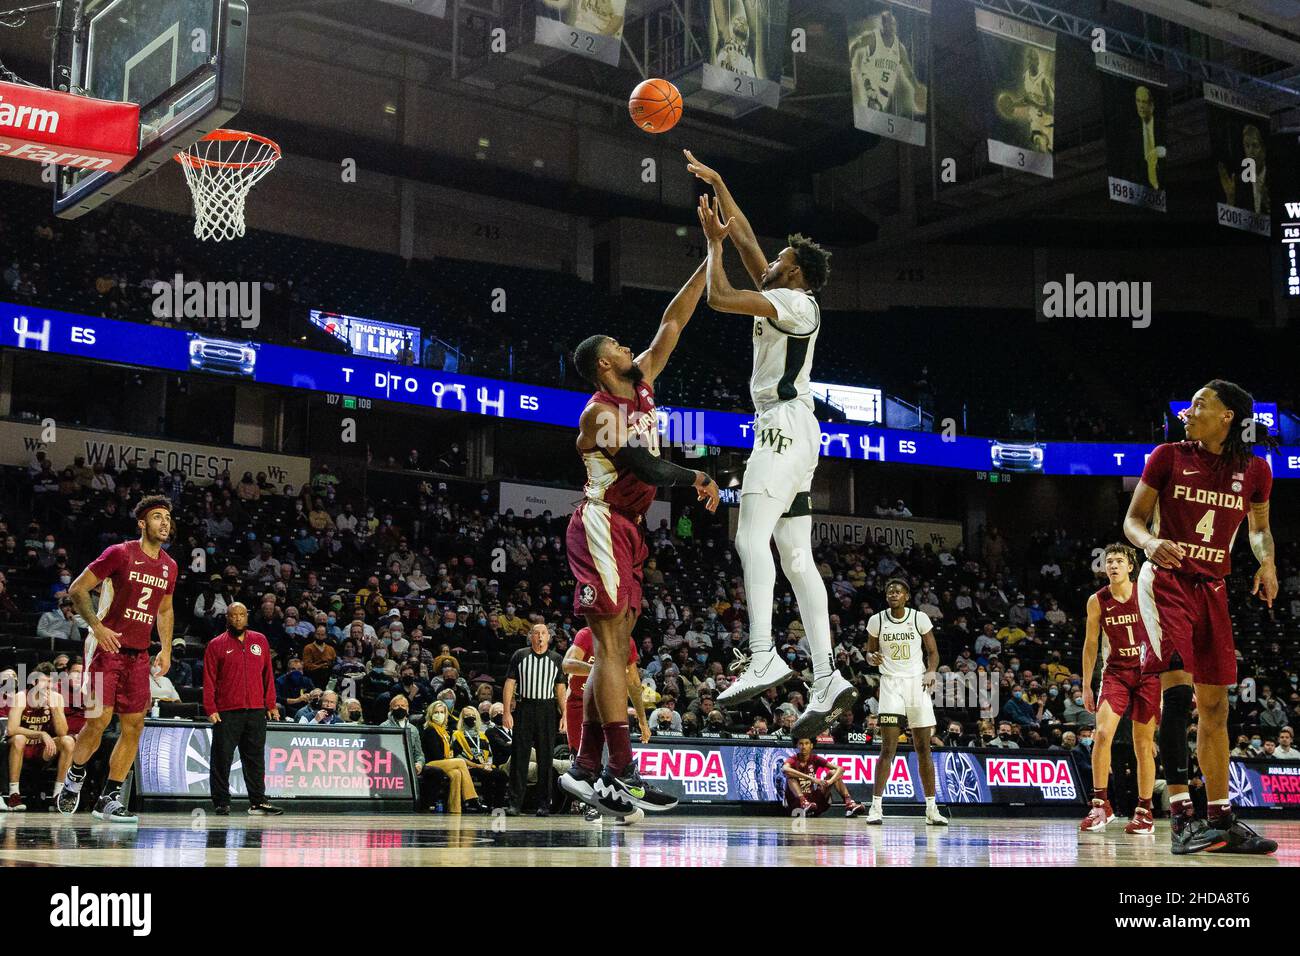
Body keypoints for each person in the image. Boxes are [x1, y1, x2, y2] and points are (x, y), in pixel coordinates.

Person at [687, 152, 852, 739]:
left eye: (782, 259)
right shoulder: (788, 294)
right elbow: (751, 238)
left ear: (797, 271)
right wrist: (722, 181)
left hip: (781, 427)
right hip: (799, 432)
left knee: (748, 535)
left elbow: (719, 298)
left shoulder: (795, 302)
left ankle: (762, 655)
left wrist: (713, 245)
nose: (773, 260)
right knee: (797, 559)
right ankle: (827, 674)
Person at [564, 261, 718, 819]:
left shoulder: (642, 383)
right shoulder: (599, 412)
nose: (634, 348)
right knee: (608, 649)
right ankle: (621, 770)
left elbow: (672, 323)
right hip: (600, 522)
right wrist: (699, 476)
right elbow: (646, 468)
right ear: (606, 363)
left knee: (616, 649)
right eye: (621, 347)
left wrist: (709, 255)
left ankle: (588, 769)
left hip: (627, 531)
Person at [1124, 380, 1277, 855]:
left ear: (1227, 416)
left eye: (1200, 405)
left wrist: (1267, 561)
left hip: (1213, 589)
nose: (1188, 411)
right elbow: (1132, 522)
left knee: (1216, 708)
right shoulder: (1168, 455)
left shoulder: (1255, 470)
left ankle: (1221, 818)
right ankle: (1180, 816)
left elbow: (1259, 529)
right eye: (1190, 405)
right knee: (1178, 694)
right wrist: (1150, 543)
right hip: (1166, 583)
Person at [58, 495, 177, 822]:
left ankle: (108, 798)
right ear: (142, 523)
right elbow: (78, 589)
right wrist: (96, 627)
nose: (164, 523)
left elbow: (164, 610)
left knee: (134, 725)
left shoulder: (169, 566)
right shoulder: (120, 553)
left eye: (167, 517)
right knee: (99, 721)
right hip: (106, 648)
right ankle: (75, 777)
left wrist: (164, 649)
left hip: (139, 654)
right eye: (157, 517)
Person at [1078, 544, 1161, 835]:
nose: (1112, 565)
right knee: (1101, 734)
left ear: (1130, 567)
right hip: (1115, 672)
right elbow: (1090, 645)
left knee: (1143, 744)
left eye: (1118, 561)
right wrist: (1086, 684)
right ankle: (1101, 805)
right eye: (1108, 561)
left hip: (1148, 673)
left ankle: (1145, 811)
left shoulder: (1148, 592)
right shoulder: (1097, 600)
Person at [863, 579, 947, 825]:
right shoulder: (876, 620)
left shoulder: (919, 618)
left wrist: (932, 671)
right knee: (887, 748)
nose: (893, 594)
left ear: (907, 596)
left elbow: (933, 652)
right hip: (890, 685)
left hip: (916, 684)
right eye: (889, 591)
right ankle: (876, 807)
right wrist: (871, 657)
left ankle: (931, 809)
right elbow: (869, 652)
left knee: (924, 749)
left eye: (898, 591)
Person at [558, 624, 649, 822]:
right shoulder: (586, 634)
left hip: (609, 704)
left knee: (618, 760)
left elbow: (634, 683)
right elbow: (567, 664)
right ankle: (591, 805)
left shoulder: (627, 641)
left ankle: (621, 807)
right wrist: (600, 671)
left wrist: (643, 720)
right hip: (579, 703)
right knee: (584, 760)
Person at [203, 602, 282, 816]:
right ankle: (221, 802)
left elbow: (268, 675)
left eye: (241, 614)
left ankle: (258, 802)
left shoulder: (260, 641)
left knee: (255, 758)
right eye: (233, 615)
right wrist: (210, 707)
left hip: (256, 710)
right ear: (227, 618)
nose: (238, 618)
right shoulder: (216, 644)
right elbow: (209, 679)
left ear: (247, 617)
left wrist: (271, 704)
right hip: (227, 711)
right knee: (222, 758)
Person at [502, 624, 567, 816]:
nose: (540, 637)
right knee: (519, 757)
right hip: (525, 708)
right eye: (536, 633)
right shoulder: (520, 655)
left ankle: (544, 804)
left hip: (547, 709)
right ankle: (515, 803)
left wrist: (564, 714)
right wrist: (506, 712)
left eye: (543, 633)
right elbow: (509, 683)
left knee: (545, 759)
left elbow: (560, 689)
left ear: (549, 637)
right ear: (531, 636)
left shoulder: (556, 659)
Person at [4, 663, 73, 810]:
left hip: (43, 750)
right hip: (22, 747)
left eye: (50, 681)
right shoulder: (21, 697)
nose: (47, 685)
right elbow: (11, 729)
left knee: (68, 741)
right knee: (19, 738)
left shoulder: (57, 698)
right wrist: (41, 734)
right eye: (43, 681)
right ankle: (14, 794)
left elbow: (62, 732)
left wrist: (54, 708)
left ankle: (58, 795)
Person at [420, 699, 481, 813]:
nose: (439, 715)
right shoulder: (430, 730)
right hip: (431, 763)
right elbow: (436, 755)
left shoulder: (444, 731)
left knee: (456, 773)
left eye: (442, 712)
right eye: (436, 712)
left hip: (444, 763)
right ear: (431, 714)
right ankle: (472, 798)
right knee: (460, 762)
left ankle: (455, 808)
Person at [782, 736, 865, 817]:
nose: (804, 746)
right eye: (801, 744)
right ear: (797, 745)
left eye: (806, 743)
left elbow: (841, 769)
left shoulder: (815, 758)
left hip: (813, 803)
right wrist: (812, 778)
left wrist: (830, 782)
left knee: (833, 773)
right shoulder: (792, 759)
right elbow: (785, 769)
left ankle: (849, 804)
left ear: (811, 745)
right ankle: (803, 802)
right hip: (795, 804)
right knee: (790, 775)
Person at [452, 707, 507, 809]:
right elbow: (458, 756)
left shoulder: (482, 735)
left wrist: (488, 765)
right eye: (467, 716)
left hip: (484, 765)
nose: (470, 718)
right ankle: (488, 804)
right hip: (468, 766)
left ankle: (498, 805)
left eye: (473, 715)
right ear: (462, 718)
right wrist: (477, 765)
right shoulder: (457, 734)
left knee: (501, 774)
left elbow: (489, 754)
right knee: (486, 774)